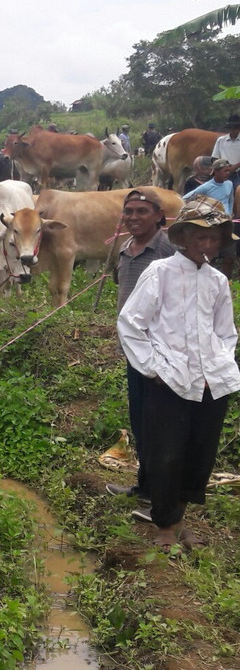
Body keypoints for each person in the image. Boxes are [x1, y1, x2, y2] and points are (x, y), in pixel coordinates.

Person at [118, 195, 240, 551]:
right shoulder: (161, 273)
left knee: (199, 453)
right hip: (169, 381)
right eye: (200, 236)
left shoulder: (217, 281)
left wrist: (219, 365)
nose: (207, 244)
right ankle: (166, 524)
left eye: (214, 238)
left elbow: (226, 332)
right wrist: (154, 368)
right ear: (183, 236)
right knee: (165, 453)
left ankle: (181, 518)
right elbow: (130, 324)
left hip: (211, 383)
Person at [107, 190, 176, 519]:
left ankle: (162, 498)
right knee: (141, 422)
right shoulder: (124, 248)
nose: (133, 217)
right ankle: (146, 486)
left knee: (159, 426)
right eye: (129, 211)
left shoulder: (168, 249)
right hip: (134, 352)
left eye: (142, 211)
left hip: (160, 353)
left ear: (159, 216)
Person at [211, 115, 240, 189]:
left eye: (236, 128)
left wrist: (234, 167)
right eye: (231, 128)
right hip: (223, 171)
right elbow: (215, 158)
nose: (233, 130)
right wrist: (223, 167)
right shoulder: (221, 140)